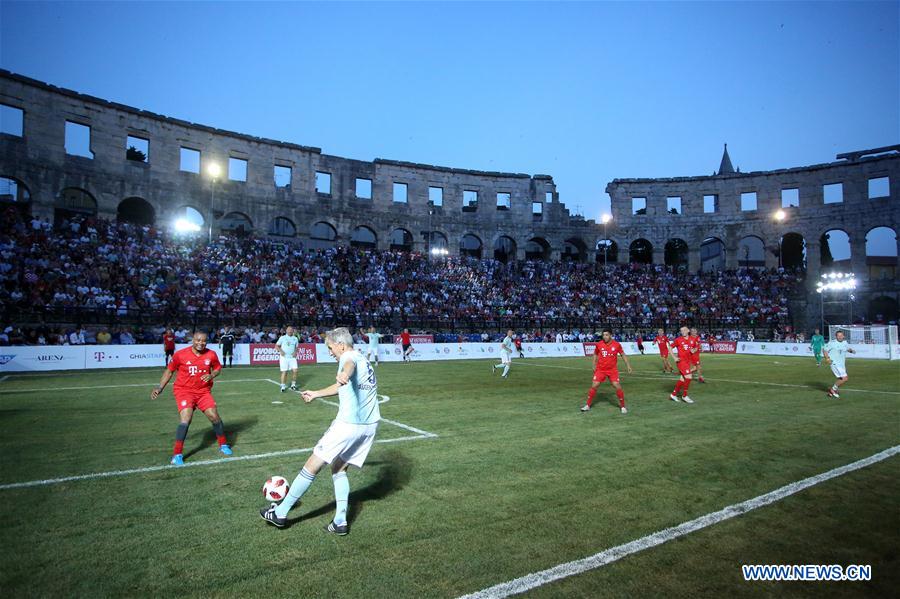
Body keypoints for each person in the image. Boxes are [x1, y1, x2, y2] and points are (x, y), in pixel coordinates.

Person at [260, 327, 380, 535]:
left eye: (330, 348)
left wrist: (344, 373)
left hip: (348, 425)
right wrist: (316, 393)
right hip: (369, 426)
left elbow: (348, 366)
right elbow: (341, 385)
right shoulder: (363, 358)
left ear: (341, 345)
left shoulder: (349, 357)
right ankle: (340, 521)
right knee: (339, 468)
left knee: (312, 466)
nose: (330, 352)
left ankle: (280, 513)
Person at [150, 331, 232, 465]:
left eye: (204, 341)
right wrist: (160, 387)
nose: (201, 343)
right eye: (198, 340)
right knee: (186, 419)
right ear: (193, 340)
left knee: (214, 416)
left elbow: (217, 368)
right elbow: (169, 371)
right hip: (184, 391)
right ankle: (177, 454)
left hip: (203, 392)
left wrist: (212, 375)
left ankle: (223, 444)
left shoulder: (211, 354)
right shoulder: (180, 355)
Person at [580, 329, 633, 414]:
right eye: (603, 335)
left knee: (617, 386)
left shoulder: (617, 345)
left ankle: (623, 406)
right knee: (594, 385)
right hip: (601, 369)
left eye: (606, 335)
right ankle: (587, 405)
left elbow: (622, 354)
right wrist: (594, 364)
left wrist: (628, 366)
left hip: (612, 370)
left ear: (610, 335)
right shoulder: (599, 344)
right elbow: (595, 354)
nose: (604, 337)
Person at [823, 330, 855, 398]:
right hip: (834, 363)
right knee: (845, 378)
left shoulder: (845, 342)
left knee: (840, 378)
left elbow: (847, 348)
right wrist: (827, 358)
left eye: (841, 335)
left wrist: (851, 351)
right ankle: (833, 390)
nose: (840, 337)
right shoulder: (832, 343)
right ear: (836, 336)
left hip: (841, 364)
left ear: (843, 336)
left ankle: (831, 391)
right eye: (838, 336)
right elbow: (824, 350)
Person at [669, 326, 696, 404]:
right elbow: (670, 347)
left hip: (688, 361)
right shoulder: (678, 340)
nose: (683, 331)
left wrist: (693, 350)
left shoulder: (692, 339)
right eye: (681, 331)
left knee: (683, 379)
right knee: (689, 377)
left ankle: (673, 395)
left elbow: (694, 348)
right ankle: (684, 396)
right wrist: (674, 357)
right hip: (681, 361)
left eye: (684, 330)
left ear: (688, 331)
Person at [276, 326, 300, 392]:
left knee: (295, 371)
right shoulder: (282, 338)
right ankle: (283, 386)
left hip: (292, 358)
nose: (290, 331)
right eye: (288, 330)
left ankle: (293, 385)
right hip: (284, 358)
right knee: (285, 372)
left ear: (293, 331)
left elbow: (296, 347)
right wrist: (281, 351)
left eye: (291, 330)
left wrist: (295, 352)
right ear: (286, 331)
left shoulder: (295, 338)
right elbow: (276, 346)